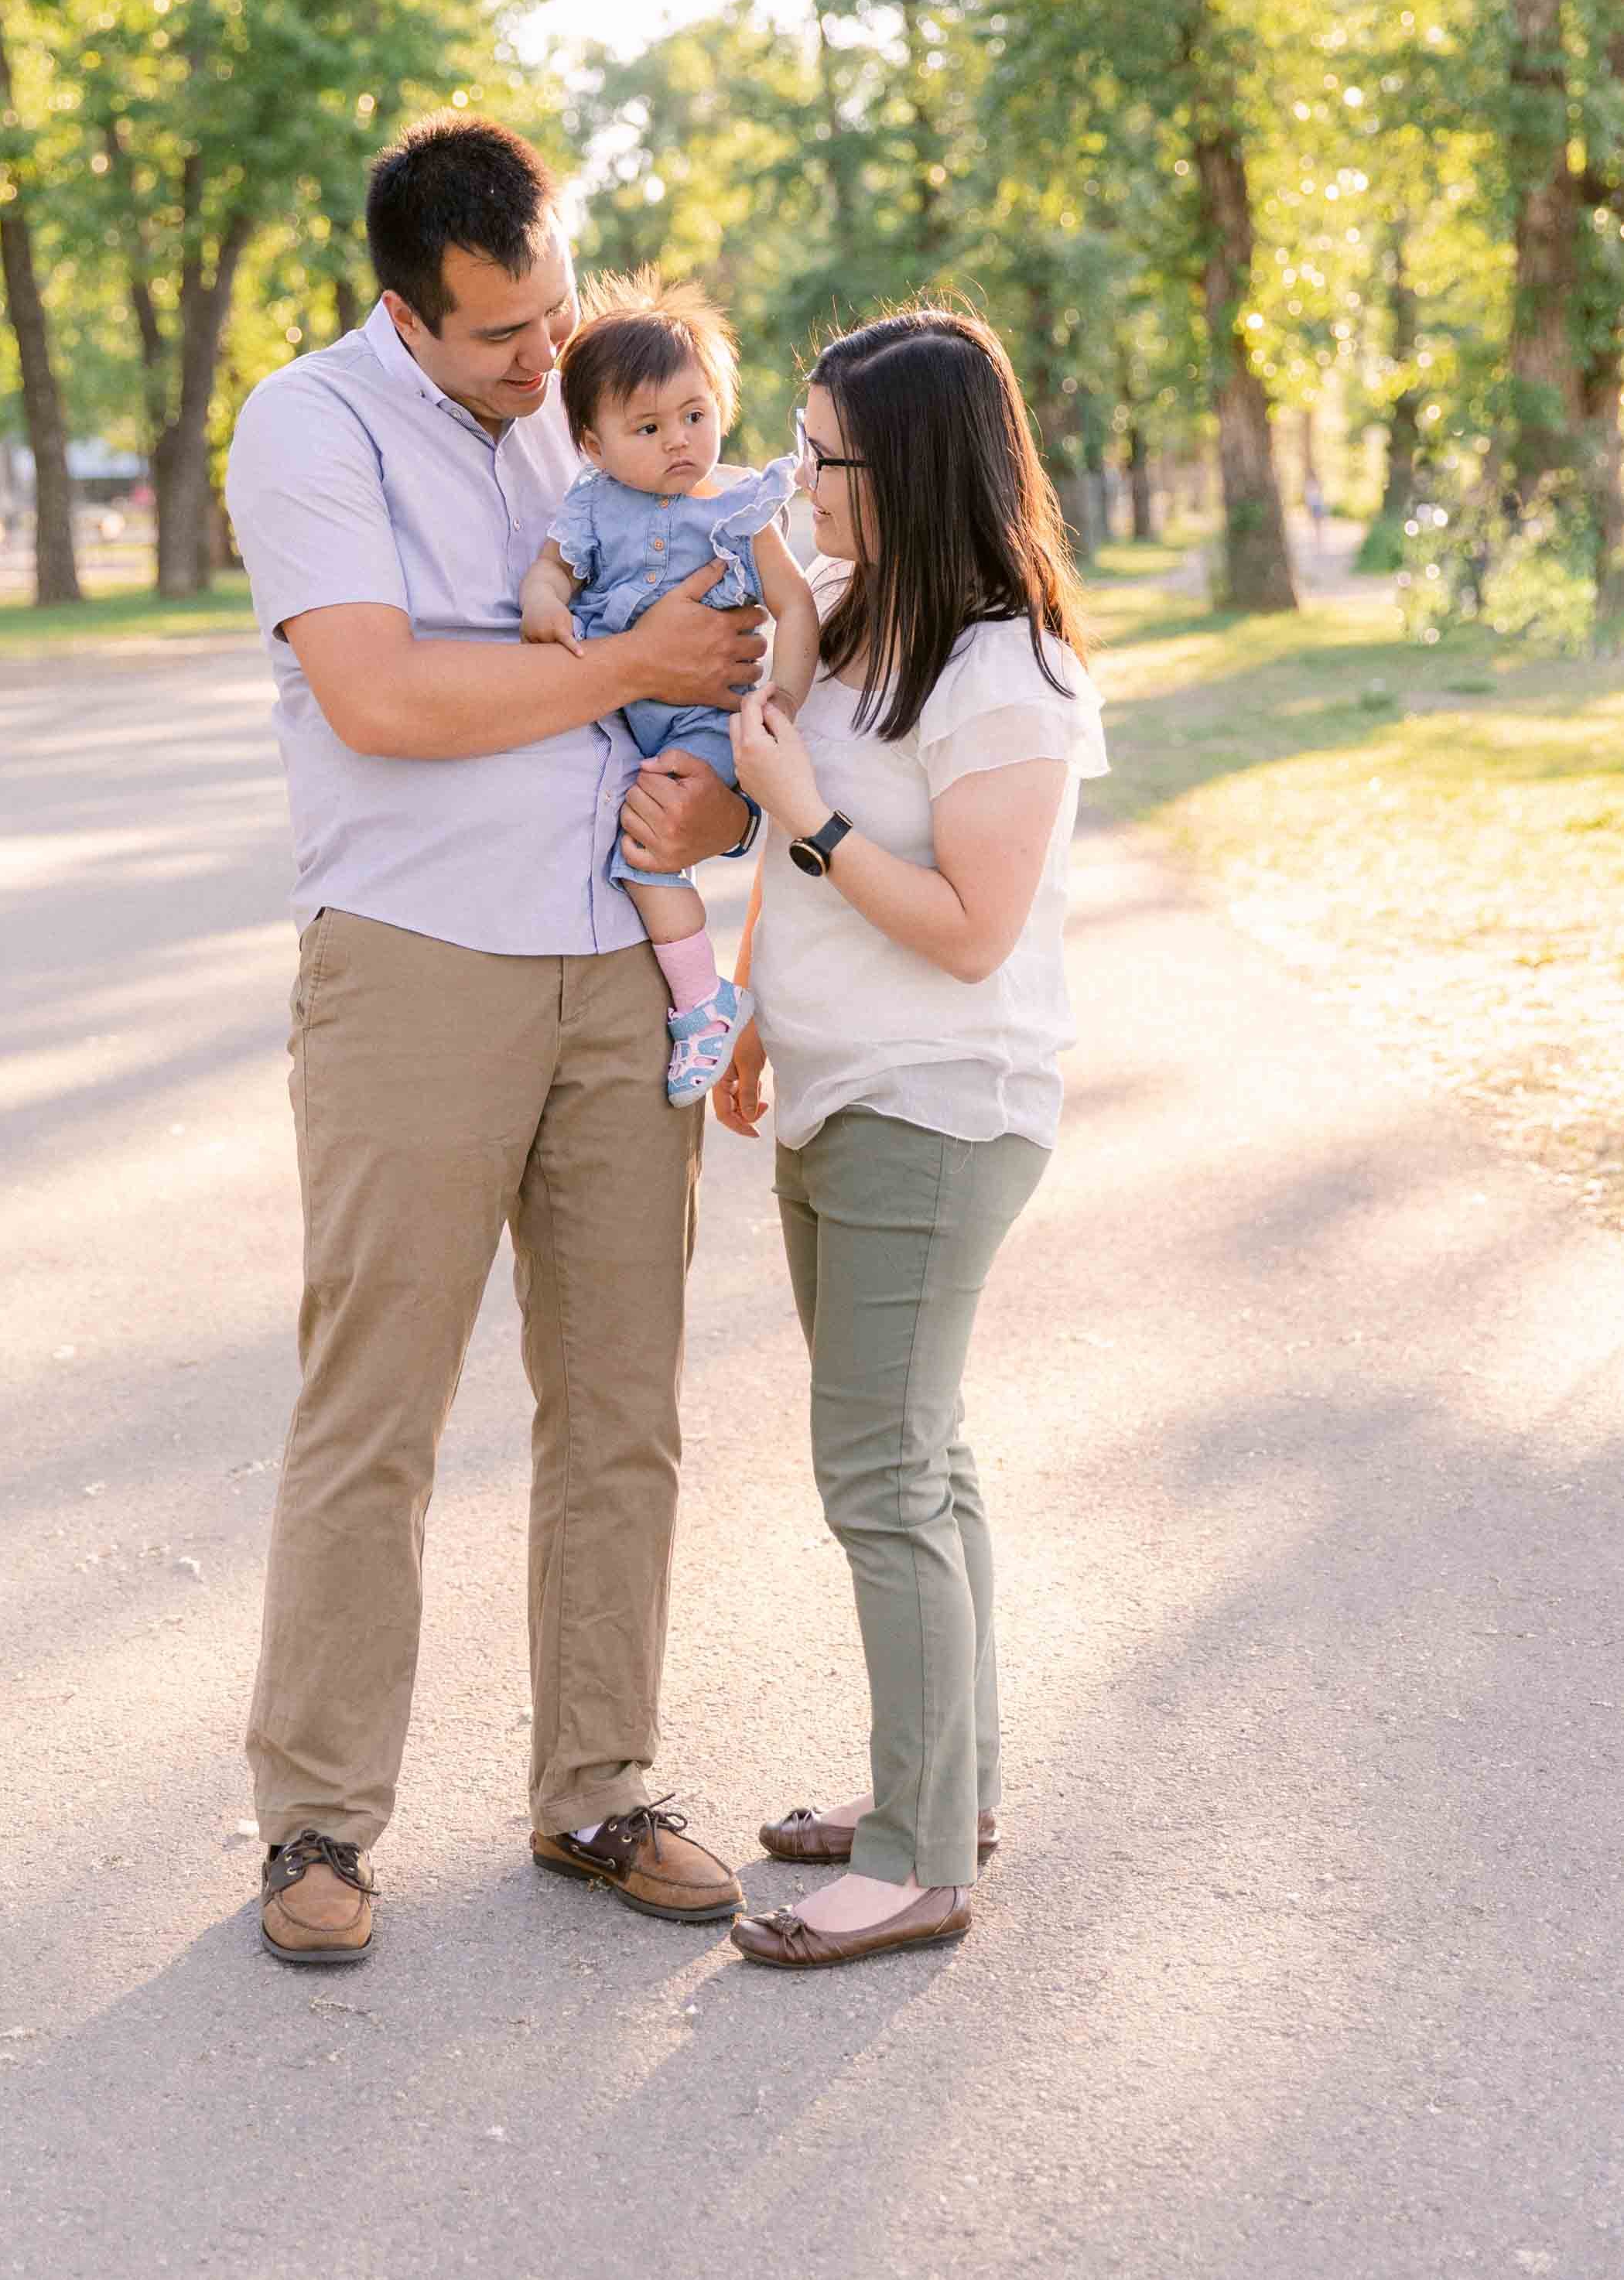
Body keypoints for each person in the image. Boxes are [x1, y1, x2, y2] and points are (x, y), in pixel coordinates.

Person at [224, 117, 761, 1969]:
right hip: (416, 961)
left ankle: (597, 1785)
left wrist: (717, 811)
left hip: (621, 956)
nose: (546, 364)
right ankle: (316, 1816)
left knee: (625, 1396)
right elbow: (379, 693)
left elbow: (739, 655)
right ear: (405, 309)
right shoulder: (309, 426)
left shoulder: (600, 400)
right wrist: (632, 671)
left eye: (557, 317)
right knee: (373, 1400)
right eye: (501, 339)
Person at [710, 306, 1108, 1973]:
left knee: (877, 1477)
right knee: (922, 1465)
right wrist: (748, 1007)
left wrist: (801, 834)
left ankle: (917, 1857)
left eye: (819, 455)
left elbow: (963, 929)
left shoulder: (1004, 669)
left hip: (934, 1111)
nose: (793, 473)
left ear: (909, 469)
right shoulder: (874, 628)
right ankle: (946, 1788)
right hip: (837, 1090)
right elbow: (805, 783)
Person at [521, 272, 820, 1106]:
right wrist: (545, 608)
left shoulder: (734, 509)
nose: (679, 440)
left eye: (695, 414)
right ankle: (701, 999)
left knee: (647, 860)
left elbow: (794, 606)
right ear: (592, 442)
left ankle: (701, 1005)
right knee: (616, 839)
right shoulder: (589, 509)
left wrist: (782, 702)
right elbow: (547, 575)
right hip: (617, 721)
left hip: (697, 722)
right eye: (647, 426)